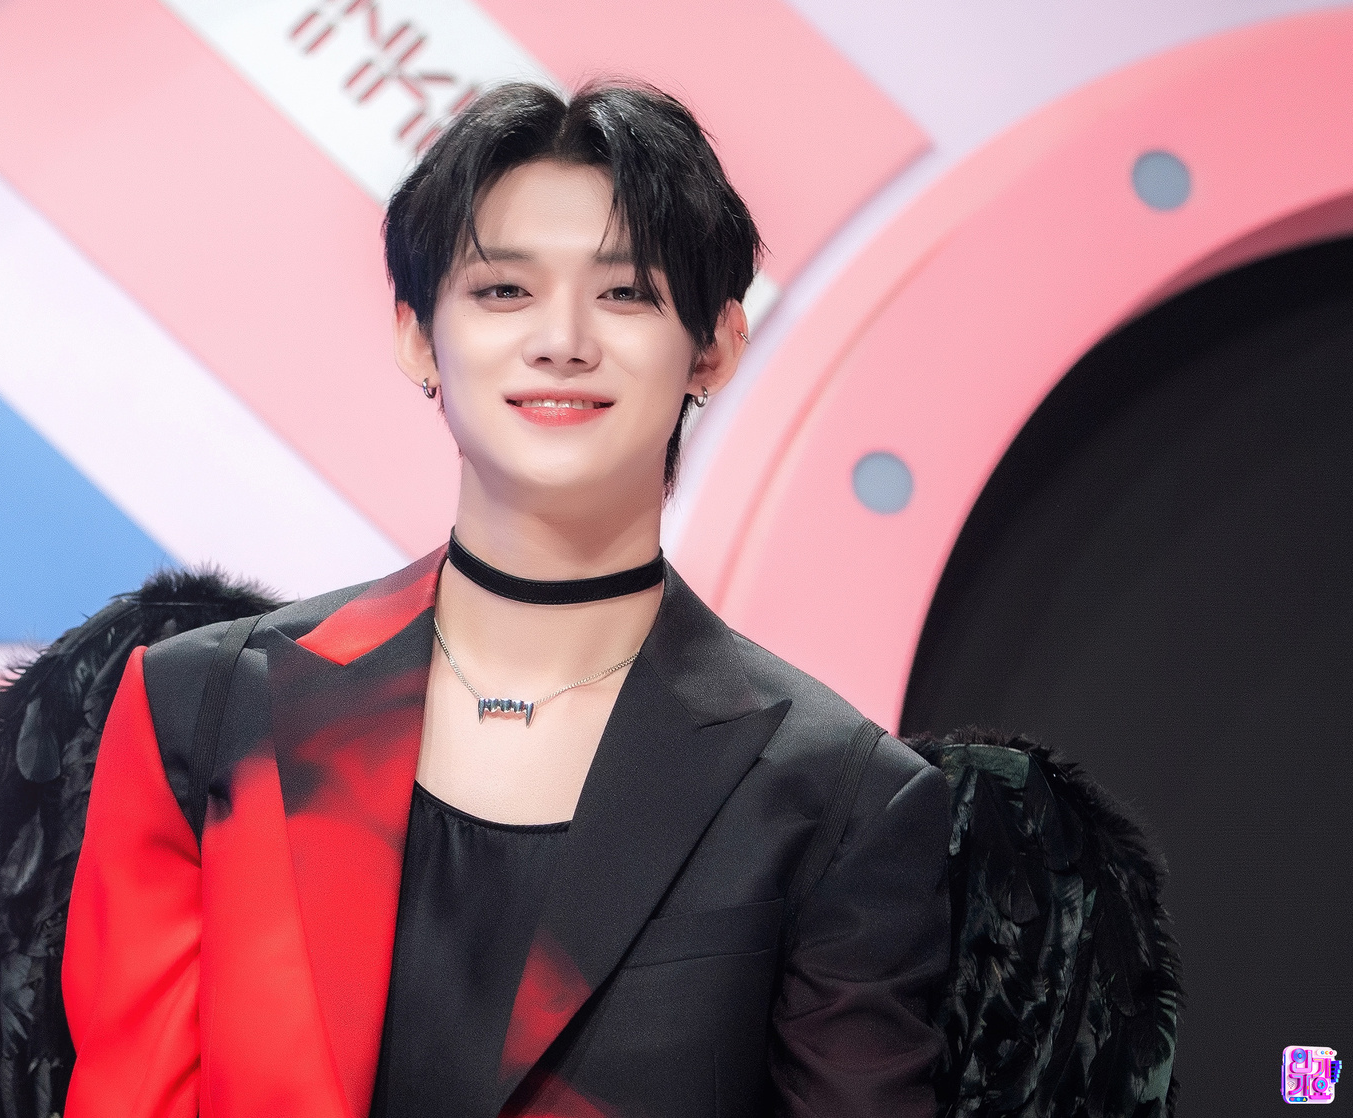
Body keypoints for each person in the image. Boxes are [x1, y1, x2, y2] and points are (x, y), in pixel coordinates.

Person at [60, 80, 952, 1118]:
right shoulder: (204, 712)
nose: (561, 339)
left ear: (713, 347)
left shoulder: (836, 796)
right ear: (416, 336)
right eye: (503, 291)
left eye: (626, 293)